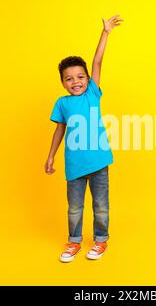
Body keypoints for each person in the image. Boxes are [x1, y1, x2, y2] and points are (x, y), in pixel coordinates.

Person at [45, 15, 123, 262]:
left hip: (99, 163)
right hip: (74, 166)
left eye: (80, 77)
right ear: (63, 83)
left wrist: (105, 33)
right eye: (69, 79)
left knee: (101, 206)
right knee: (75, 208)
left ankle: (101, 241)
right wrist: (49, 156)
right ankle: (74, 242)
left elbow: (97, 61)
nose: (75, 82)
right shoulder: (62, 103)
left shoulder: (92, 94)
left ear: (88, 79)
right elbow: (59, 131)